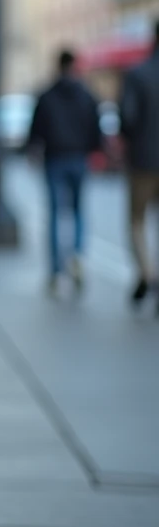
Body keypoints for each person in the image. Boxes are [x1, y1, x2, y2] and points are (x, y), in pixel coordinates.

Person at [28, 50, 103, 292]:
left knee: (54, 214)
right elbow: (95, 127)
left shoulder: (47, 94)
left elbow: (36, 128)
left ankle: (55, 270)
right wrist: (93, 149)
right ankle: (77, 255)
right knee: (79, 210)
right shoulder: (86, 94)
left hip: (55, 158)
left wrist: (33, 149)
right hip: (78, 158)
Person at [119, 21, 159, 311]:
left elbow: (127, 119)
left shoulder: (137, 74)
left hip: (144, 160)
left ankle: (147, 273)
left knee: (136, 221)